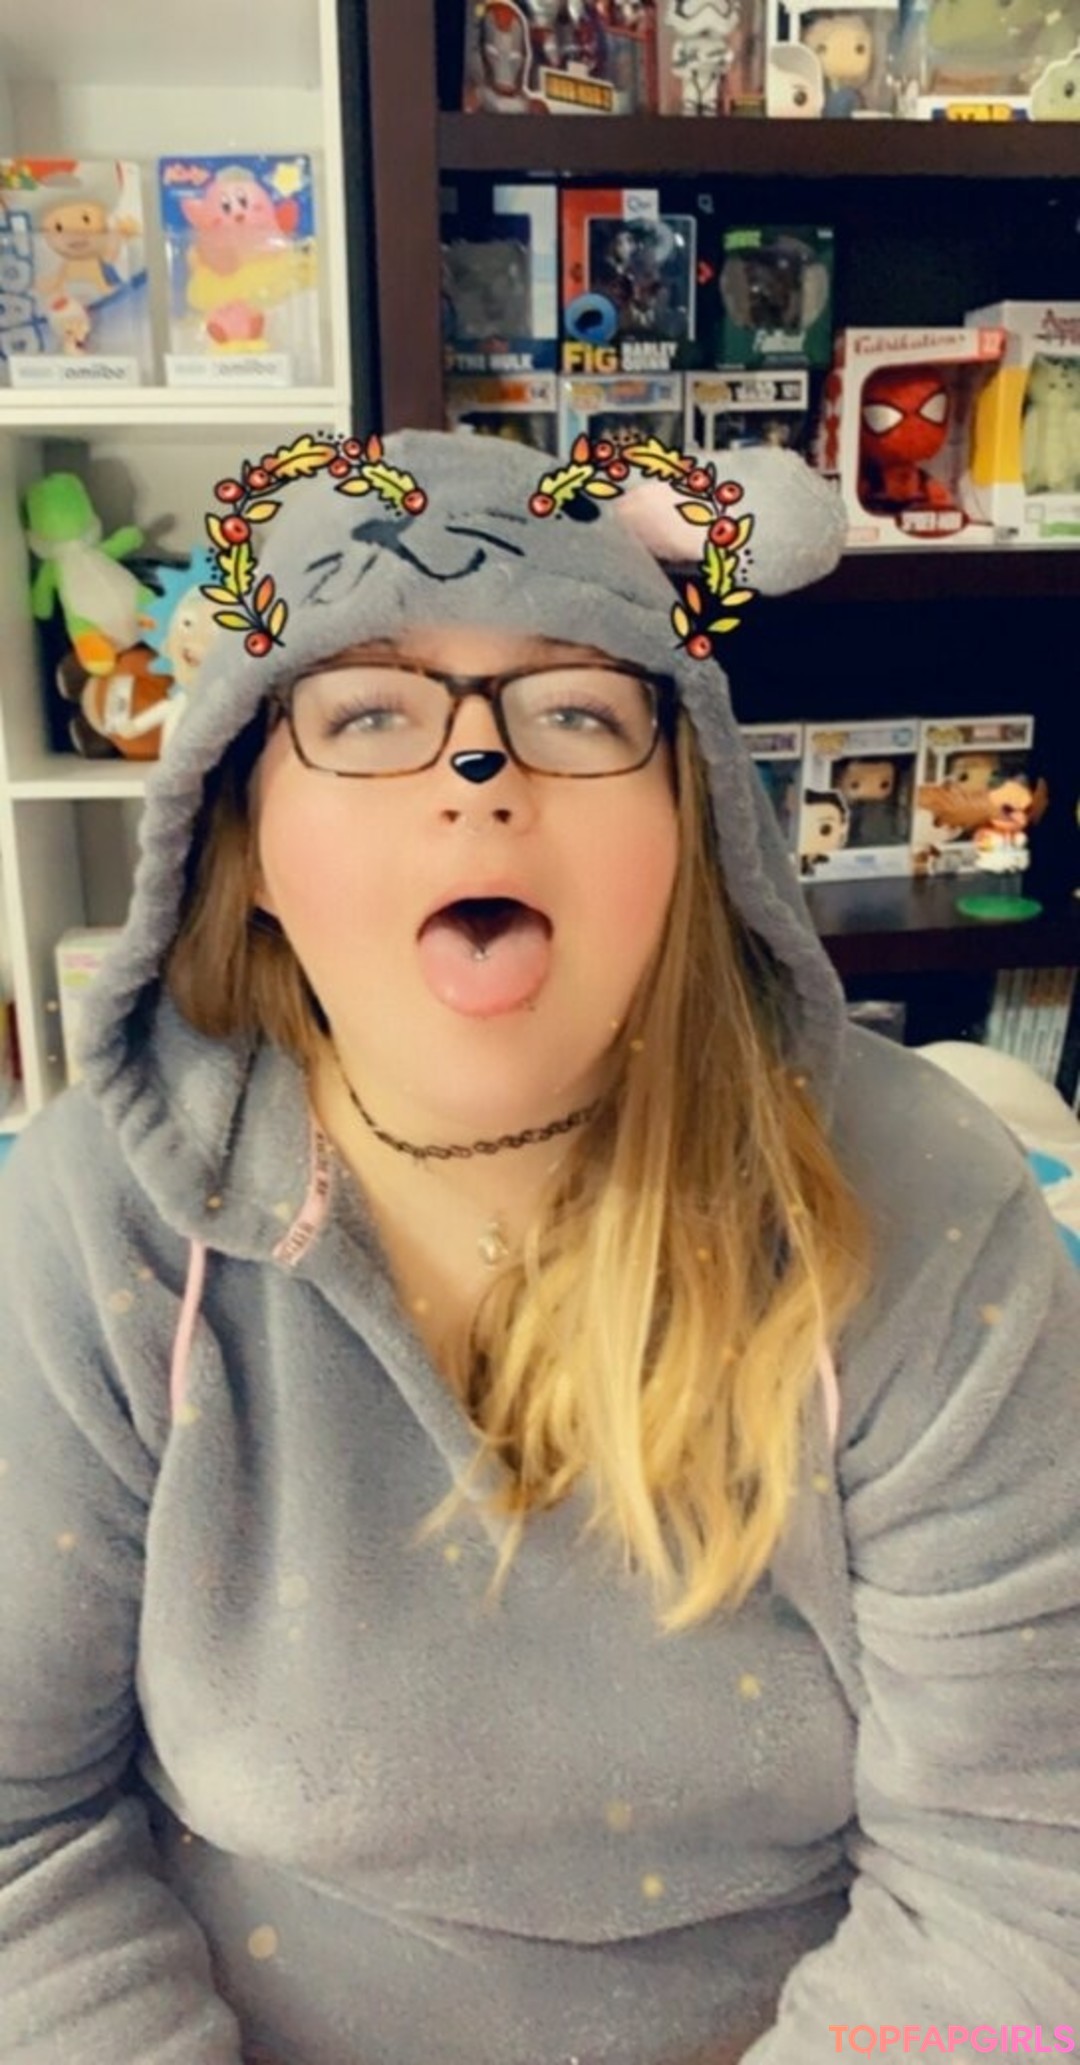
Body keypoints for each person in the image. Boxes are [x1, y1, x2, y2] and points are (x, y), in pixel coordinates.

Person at [0, 429, 1077, 2065]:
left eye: (575, 711)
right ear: (248, 837)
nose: (477, 773)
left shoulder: (923, 1210)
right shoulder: (100, 1229)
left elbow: (1029, 1871)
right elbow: (19, 1834)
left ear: (689, 826)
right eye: (368, 714)